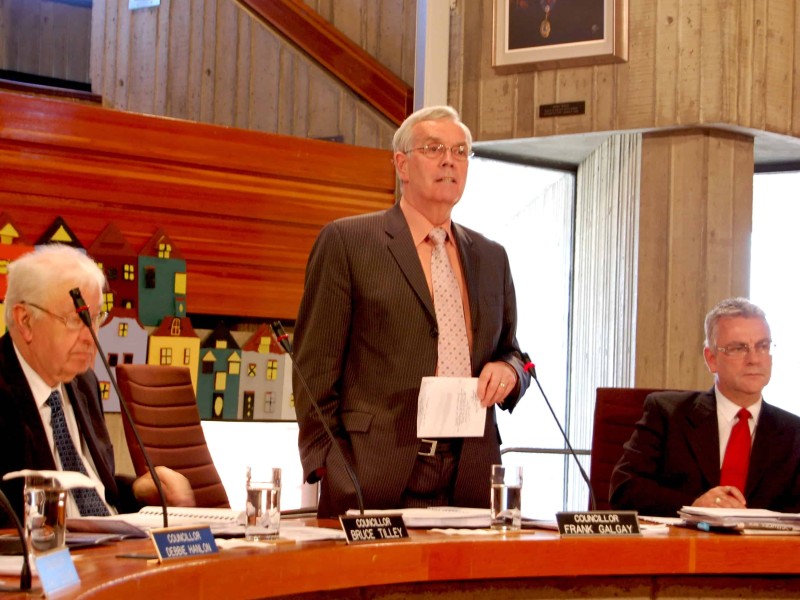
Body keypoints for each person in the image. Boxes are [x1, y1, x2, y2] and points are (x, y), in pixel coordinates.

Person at [293, 105, 531, 518]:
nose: (449, 161)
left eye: (460, 151)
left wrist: (511, 372)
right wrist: (330, 466)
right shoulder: (348, 242)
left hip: (470, 475)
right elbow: (313, 372)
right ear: (402, 165)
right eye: (434, 149)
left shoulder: (492, 257)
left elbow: (514, 353)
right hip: (370, 475)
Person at [0, 244, 195, 525]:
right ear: (25, 320)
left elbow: (92, 490)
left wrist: (137, 490)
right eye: (75, 320)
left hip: (116, 541)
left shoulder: (84, 383)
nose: (90, 336)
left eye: (95, 318)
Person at [610, 297, 800, 516]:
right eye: (738, 348)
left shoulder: (794, 433)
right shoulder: (667, 414)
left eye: (762, 346)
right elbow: (625, 489)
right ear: (711, 359)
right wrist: (694, 505)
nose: (754, 359)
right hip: (684, 538)